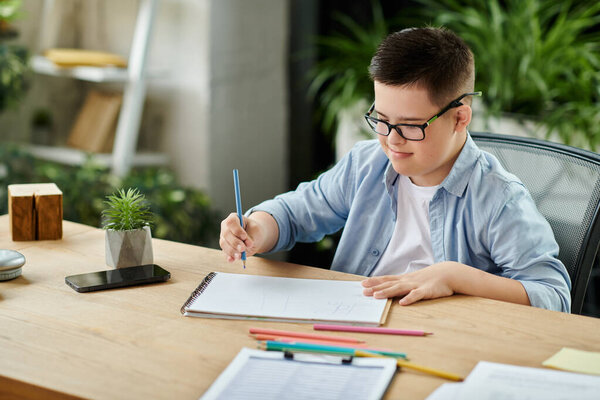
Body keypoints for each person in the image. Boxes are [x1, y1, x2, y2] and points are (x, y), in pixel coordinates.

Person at [218, 27, 571, 313]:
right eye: (382, 121)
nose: (392, 141)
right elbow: (296, 213)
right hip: (351, 324)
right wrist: (257, 229)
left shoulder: (499, 198)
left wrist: (454, 276)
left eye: (411, 126)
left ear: (460, 117)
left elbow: (553, 297)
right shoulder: (366, 163)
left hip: (445, 341)